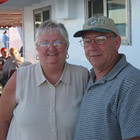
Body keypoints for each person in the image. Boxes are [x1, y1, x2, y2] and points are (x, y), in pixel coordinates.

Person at [0, 20, 89, 140]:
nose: (51, 48)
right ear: (37, 48)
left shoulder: (82, 76)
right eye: (45, 43)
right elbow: (2, 120)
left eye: (58, 42)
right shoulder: (20, 77)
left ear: (67, 46)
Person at [73, 16, 140, 140]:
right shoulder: (91, 77)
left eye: (100, 39)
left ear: (117, 43)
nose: (92, 47)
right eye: (87, 41)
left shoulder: (132, 84)